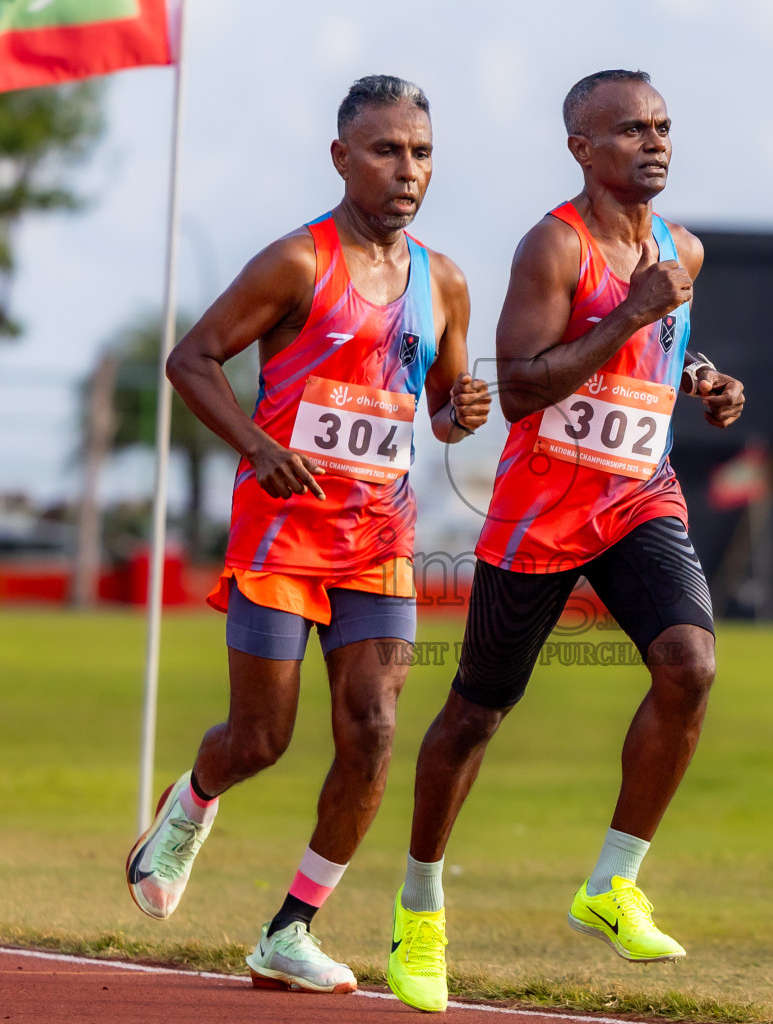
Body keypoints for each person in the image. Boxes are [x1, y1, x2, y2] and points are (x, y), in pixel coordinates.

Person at [386, 69, 745, 1013]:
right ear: (582, 148)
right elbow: (522, 389)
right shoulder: (553, 245)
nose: (655, 142)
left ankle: (613, 884)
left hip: (637, 496)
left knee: (690, 665)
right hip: (544, 510)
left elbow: (656, 354)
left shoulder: (682, 250)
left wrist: (704, 379)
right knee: (476, 714)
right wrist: (631, 309)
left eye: (663, 126)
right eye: (630, 129)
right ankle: (419, 910)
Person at [125, 74, 490, 995]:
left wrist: (462, 412)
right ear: (341, 158)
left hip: (378, 536)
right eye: (386, 150)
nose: (407, 170)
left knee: (371, 732)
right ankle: (192, 800)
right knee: (263, 738)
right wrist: (258, 443)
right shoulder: (296, 262)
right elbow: (190, 358)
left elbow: (439, 411)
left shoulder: (443, 282)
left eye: (421, 153)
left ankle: (291, 927)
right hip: (283, 534)